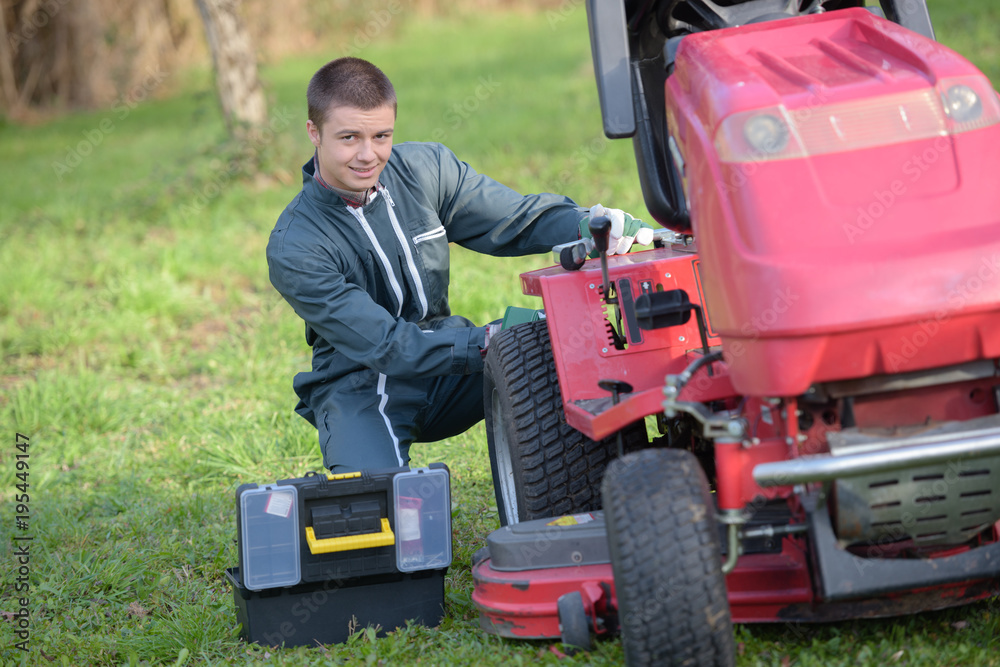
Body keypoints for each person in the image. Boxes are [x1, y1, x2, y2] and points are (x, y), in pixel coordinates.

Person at [267, 57, 651, 473]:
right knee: (376, 506)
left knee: (572, 346)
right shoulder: (295, 246)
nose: (368, 155)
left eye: (381, 136)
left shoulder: (426, 170)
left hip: (449, 362)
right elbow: (384, 345)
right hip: (359, 384)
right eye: (349, 138)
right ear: (314, 133)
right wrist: (490, 341)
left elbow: (515, 219)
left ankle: (595, 483)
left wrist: (588, 225)